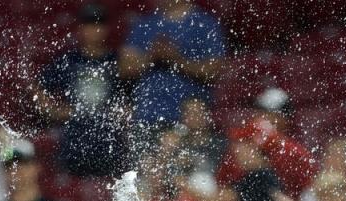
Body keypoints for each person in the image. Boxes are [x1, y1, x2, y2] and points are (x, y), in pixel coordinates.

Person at [36, 3, 128, 177]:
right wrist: (55, 111)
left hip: (110, 144)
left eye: (98, 24)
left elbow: (133, 96)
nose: (94, 29)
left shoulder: (119, 62)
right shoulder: (68, 60)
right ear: (80, 28)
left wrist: (124, 112)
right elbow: (37, 87)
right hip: (74, 142)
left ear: (106, 28)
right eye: (89, 24)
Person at [119, 0, 226, 134]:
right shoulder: (145, 24)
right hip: (147, 119)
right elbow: (124, 70)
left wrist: (176, 59)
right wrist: (152, 56)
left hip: (190, 123)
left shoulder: (205, 24)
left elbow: (214, 71)